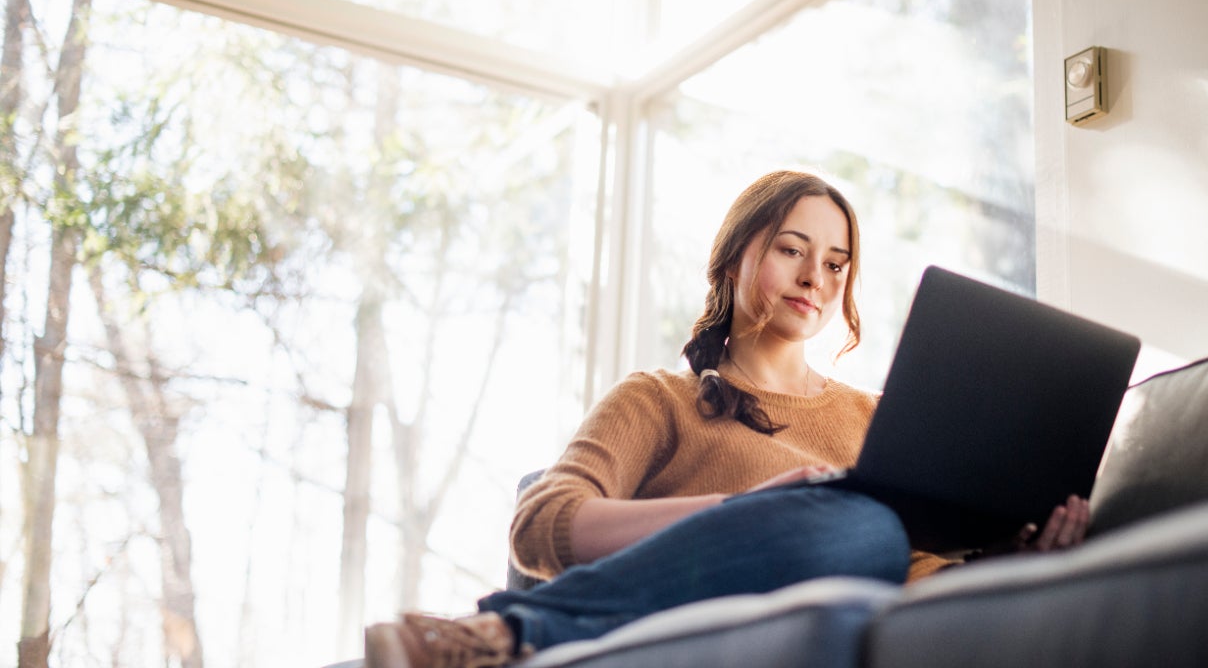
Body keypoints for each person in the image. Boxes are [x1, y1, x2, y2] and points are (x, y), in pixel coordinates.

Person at [363, 170, 1089, 668]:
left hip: (837, 618)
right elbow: (539, 524)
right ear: (733, 259)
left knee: (874, 533)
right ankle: (499, 637)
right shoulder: (656, 399)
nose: (815, 278)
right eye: (791, 250)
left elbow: (910, 577)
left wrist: (1011, 569)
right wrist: (744, 509)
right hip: (693, 625)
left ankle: (504, 638)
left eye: (836, 264)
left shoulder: (876, 418)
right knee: (857, 521)